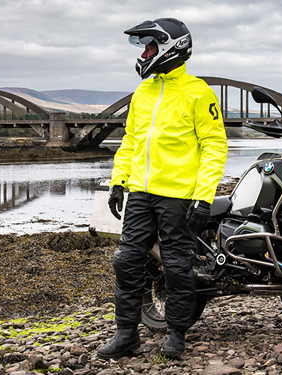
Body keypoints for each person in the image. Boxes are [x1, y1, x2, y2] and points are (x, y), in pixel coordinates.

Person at [97, 17, 228, 359]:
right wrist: (118, 182)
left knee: (176, 265)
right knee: (126, 261)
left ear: (171, 47)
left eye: (150, 46)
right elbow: (130, 142)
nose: (145, 52)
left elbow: (215, 146)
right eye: (144, 47)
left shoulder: (199, 93)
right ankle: (126, 334)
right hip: (140, 192)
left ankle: (176, 333)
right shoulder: (143, 92)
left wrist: (203, 196)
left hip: (178, 196)